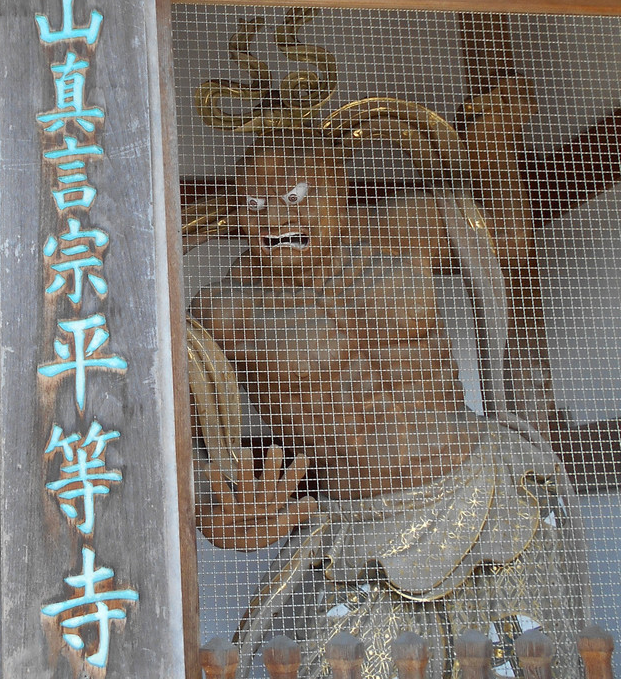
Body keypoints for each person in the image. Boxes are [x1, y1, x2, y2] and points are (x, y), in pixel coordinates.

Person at [189, 81, 588, 679]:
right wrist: (216, 512)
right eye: (252, 204)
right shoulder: (222, 312)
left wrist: (494, 144)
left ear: (339, 190)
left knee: (527, 664)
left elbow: (508, 238)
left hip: (487, 491)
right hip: (363, 527)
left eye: (296, 195)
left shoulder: (406, 230)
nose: (274, 218)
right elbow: (176, 444)